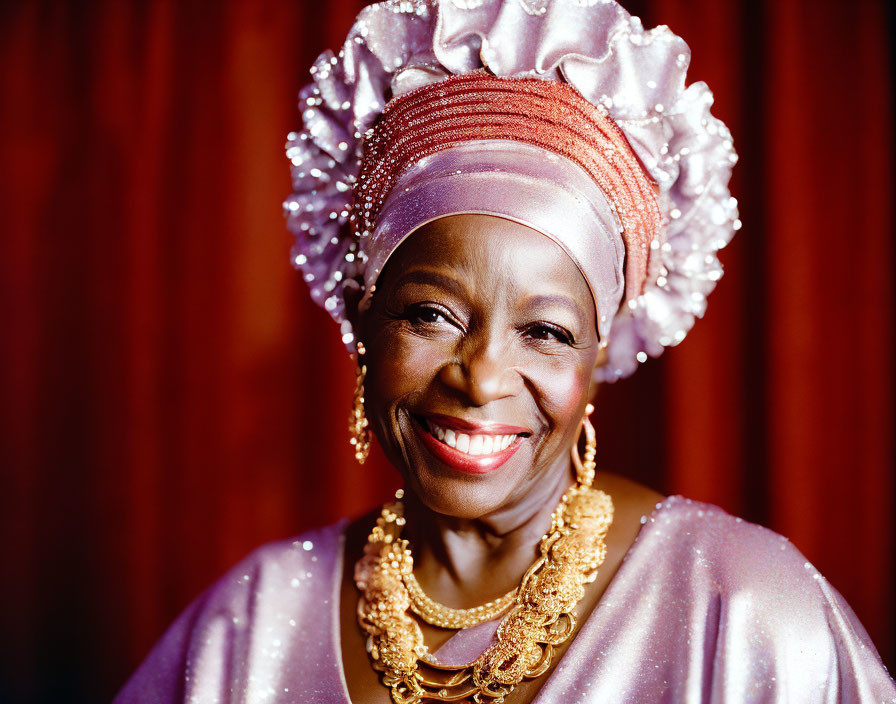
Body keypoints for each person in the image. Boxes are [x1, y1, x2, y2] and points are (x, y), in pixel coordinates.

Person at [114, 1, 896, 702]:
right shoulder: (246, 629)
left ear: (596, 356)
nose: (481, 376)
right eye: (431, 315)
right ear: (362, 320)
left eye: (546, 332)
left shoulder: (743, 613)